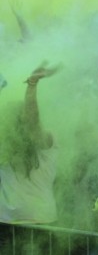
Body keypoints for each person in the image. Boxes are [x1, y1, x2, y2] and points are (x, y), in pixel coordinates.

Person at [0, 63, 60, 225]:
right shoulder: (4, 147)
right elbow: (31, 123)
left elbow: (31, 123)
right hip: (29, 220)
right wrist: (32, 84)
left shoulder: (43, 141)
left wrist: (32, 85)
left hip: (31, 222)